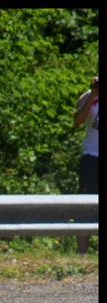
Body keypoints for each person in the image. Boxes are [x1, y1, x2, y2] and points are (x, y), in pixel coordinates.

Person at [74, 75, 99, 254]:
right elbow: (77, 121)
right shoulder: (87, 97)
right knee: (86, 204)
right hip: (91, 156)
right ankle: (82, 252)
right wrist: (93, 95)